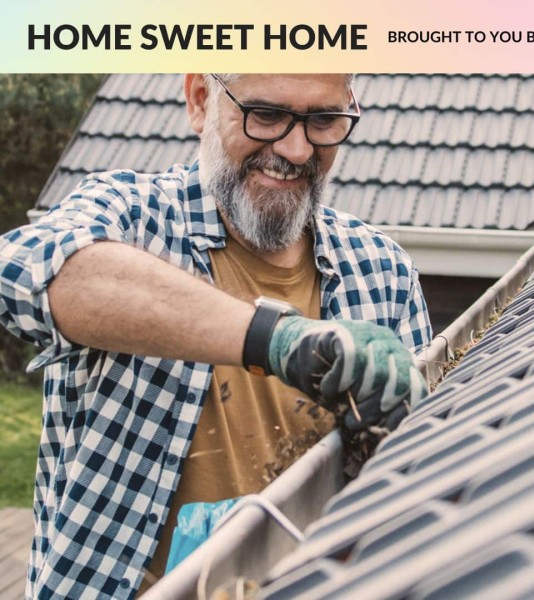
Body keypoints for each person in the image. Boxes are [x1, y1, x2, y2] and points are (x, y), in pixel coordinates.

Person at [0, 73, 432, 598]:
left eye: (322, 121)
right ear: (201, 101)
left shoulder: (383, 273)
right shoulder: (134, 218)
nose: (296, 150)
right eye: (266, 115)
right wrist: (277, 340)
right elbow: (23, 273)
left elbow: (411, 474)